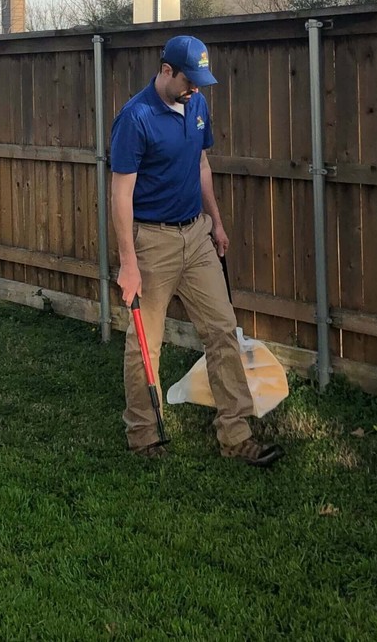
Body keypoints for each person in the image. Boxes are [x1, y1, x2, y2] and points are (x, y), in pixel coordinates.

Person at [109, 35, 284, 467]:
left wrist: (218, 223)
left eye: (201, 82)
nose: (195, 90)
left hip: (197, 235)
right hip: (153, 241)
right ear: (166, 70)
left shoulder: (198, 105)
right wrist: (129, 263)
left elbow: (202, 166)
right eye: (190, 80)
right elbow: (120, 193)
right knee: (145, 344)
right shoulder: (136, 117)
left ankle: (235, 433)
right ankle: (145, 436)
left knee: (222, 330)